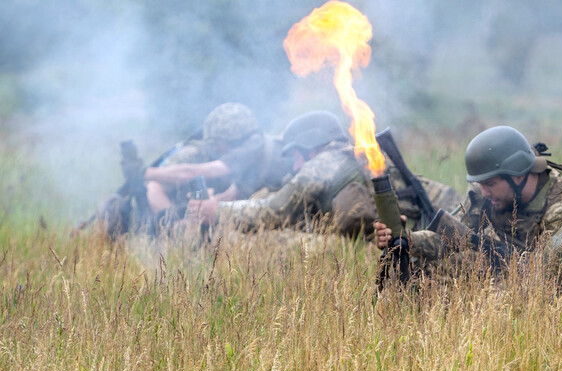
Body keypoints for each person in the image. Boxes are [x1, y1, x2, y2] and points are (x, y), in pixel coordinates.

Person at [189, 110, 460, 237]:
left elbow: (272, 213)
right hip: (428, 236)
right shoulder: (359, 157)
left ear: (310, 148)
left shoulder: (323, 164)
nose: (295, 166)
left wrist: (219, 211)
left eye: (295, 156)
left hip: (416, 244)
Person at [373, 125, 562, 272]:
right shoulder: (484, 193)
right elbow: (452, 240)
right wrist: (408, 240)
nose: (484, 192)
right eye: (481, 184)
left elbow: (547, 275)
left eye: (490, 184)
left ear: (517, 174)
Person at [91, 102, 292, 237]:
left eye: (219, 143)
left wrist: (143, 173)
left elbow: (205, 171)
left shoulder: (252, 147)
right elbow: (156, 187)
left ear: (235, 139)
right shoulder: (246, 150)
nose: (216, 148)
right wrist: (172, 222)